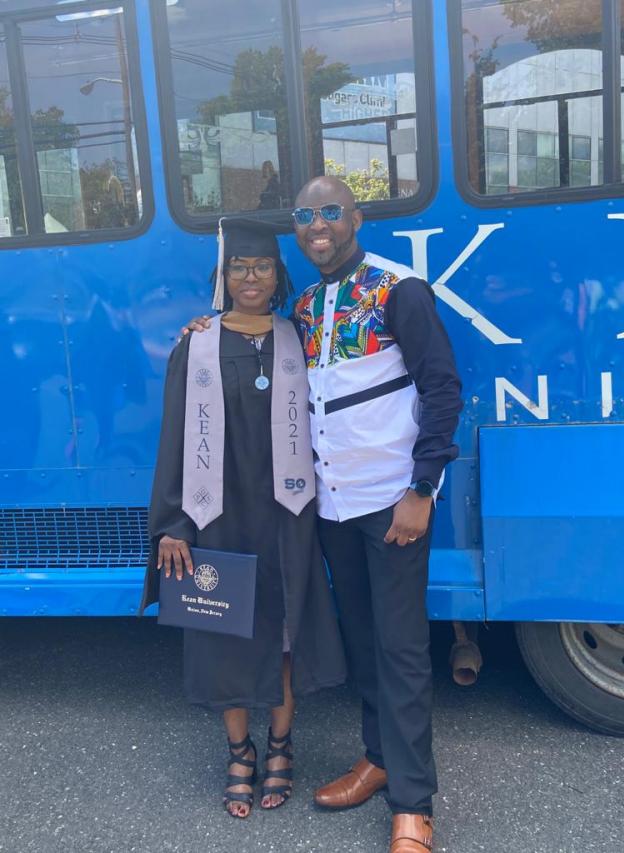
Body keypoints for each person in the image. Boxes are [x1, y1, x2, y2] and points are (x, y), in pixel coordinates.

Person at [183, 177, 463, 852]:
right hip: (331, 508)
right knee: (364, 640)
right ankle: (378, 756)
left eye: (330, 212)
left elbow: (442, 388)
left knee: (400, 648)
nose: (317, 225)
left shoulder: (399, 291)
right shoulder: (305, 307)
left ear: (355, 218)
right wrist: (203, 328)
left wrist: (422, 489)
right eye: (305, 215)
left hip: (393, 503)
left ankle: (413, 803)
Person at [141, 217, 346, 821]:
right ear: (224, 277)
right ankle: (240, 749)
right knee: (225, 631)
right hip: (217, 514)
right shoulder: (197, 344)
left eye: (261, 268)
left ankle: (282, 744)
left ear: (277, 276)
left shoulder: (298, 338)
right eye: (239, 267)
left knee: (283, 632)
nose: (249, 277)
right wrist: (175, 523)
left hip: (286, 512)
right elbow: (175, 438)